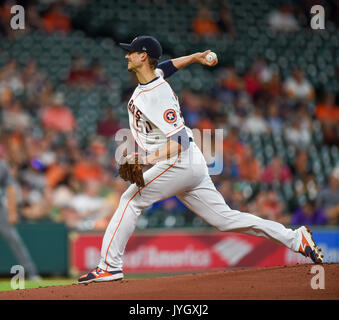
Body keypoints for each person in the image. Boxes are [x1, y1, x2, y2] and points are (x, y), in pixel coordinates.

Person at [78, 36, 323, 284]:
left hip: (178, 160)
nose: (126, 55)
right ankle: (295, 238)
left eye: (131, 52)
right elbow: (168, 66)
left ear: (143, 57)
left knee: (130, 199)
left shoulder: (156, 95)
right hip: (189, 163)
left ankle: (109, 266)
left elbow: (180, 140)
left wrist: (144, 159)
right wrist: (195, 57)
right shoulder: (154, 77)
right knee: (225, 219)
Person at [0, 159, 41, 280]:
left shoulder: (2, 166)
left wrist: (12, 212)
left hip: (1, 211)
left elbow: (10, 189)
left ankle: (32, 273)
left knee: (15, 240)